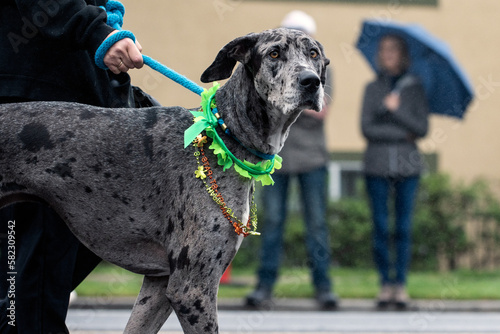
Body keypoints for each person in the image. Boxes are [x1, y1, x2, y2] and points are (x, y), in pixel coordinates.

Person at [0, 1, 147, 332]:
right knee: (34, 275)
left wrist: (104, 19)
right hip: (38, 107)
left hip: (55, 103)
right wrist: (96, 29)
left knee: (26, 279)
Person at [245, 10, 337, 310]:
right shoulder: (273, 64)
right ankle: (264, 287)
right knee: (271, 223)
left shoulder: (320, 64)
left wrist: (291, 100)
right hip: (276, 157)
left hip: (312, 158)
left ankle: (323, 288)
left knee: (317, 225)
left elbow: (320, 109)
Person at [360, 34, 429, 309]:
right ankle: (384, 284)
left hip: (407, 167)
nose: (387, 54)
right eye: (383, 50)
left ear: (401, 54)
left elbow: (422, 129)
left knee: (402, 227)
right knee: (380, 226)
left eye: (392, 50)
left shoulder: (415, 89)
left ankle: (400, 284)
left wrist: (395, 111)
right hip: (376, 165)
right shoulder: (371, 88)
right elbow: (366, 129)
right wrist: (401, 131)